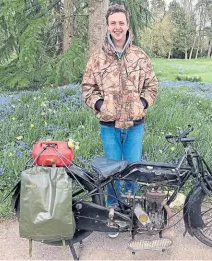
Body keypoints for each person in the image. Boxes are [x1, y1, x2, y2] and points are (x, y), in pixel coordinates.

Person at [81, 4, 158, 238]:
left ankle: (132, 208)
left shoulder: (139, 55)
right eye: (113, 23)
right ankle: (114, 212)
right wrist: (99, 105)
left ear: (127, 26)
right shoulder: (97, 57)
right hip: (109, 126)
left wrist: (141, 104)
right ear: (107, 26)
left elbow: (152, 86)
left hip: (135, 125)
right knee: (112, 171)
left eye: (121, 23)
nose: (117, 27)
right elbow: (87, 88)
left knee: (133, 168)